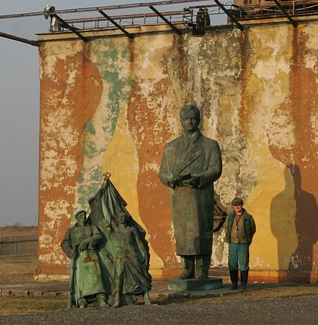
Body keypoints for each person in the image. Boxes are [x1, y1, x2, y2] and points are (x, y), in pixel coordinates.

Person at [158, 104, 222, 280]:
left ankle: (202, 270)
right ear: (181, 121)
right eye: (186, 119)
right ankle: (186, 268)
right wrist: (169, 178)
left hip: (201, 194)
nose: (189, 122)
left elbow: (216, 169)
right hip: (180, 195)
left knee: (202, 230)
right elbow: (162, 172)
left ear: (199, 120)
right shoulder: (172, 147)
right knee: (183, 232)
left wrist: (199, 178)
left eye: (193, 118)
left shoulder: (210, 145)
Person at [60, 210, 110, 308]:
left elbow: (98, 235)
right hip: (79, 257)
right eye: (81, 215)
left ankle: (101, 299)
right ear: (77, 218)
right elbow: (65, 243)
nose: (83, 217)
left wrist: (88, 240)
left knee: (97, 278)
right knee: (80, 280)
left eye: (84, 215)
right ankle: (81, 300)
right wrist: (70, 252)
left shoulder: (92, 227)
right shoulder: (71, 230)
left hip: (92, 255)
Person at [109, 213, 153, 307]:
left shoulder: (131, 229)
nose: (121, 218)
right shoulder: (114, 230)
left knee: (140, 275)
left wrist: (145, 253)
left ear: (126, 219)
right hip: (120, 256)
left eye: (123, 217)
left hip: (132, 255)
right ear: (116, 219)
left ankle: (146, 298)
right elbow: (107, 217)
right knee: (119, 276)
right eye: (119, 217)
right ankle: (117, 299)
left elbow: (139, 242)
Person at [225, 197, 256, 290]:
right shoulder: (230, 217)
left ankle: (243, 284)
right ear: (233, 207)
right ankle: (234, 283)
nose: (237, 207)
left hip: (243, 243)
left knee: (244, 263)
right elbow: (226, 228)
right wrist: (229, 238)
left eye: (239, 205)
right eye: (235, 206)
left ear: (242, 205)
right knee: (232, 264)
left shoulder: (248, 217)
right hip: (233, 243)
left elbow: (253, 229)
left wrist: (248, 239)